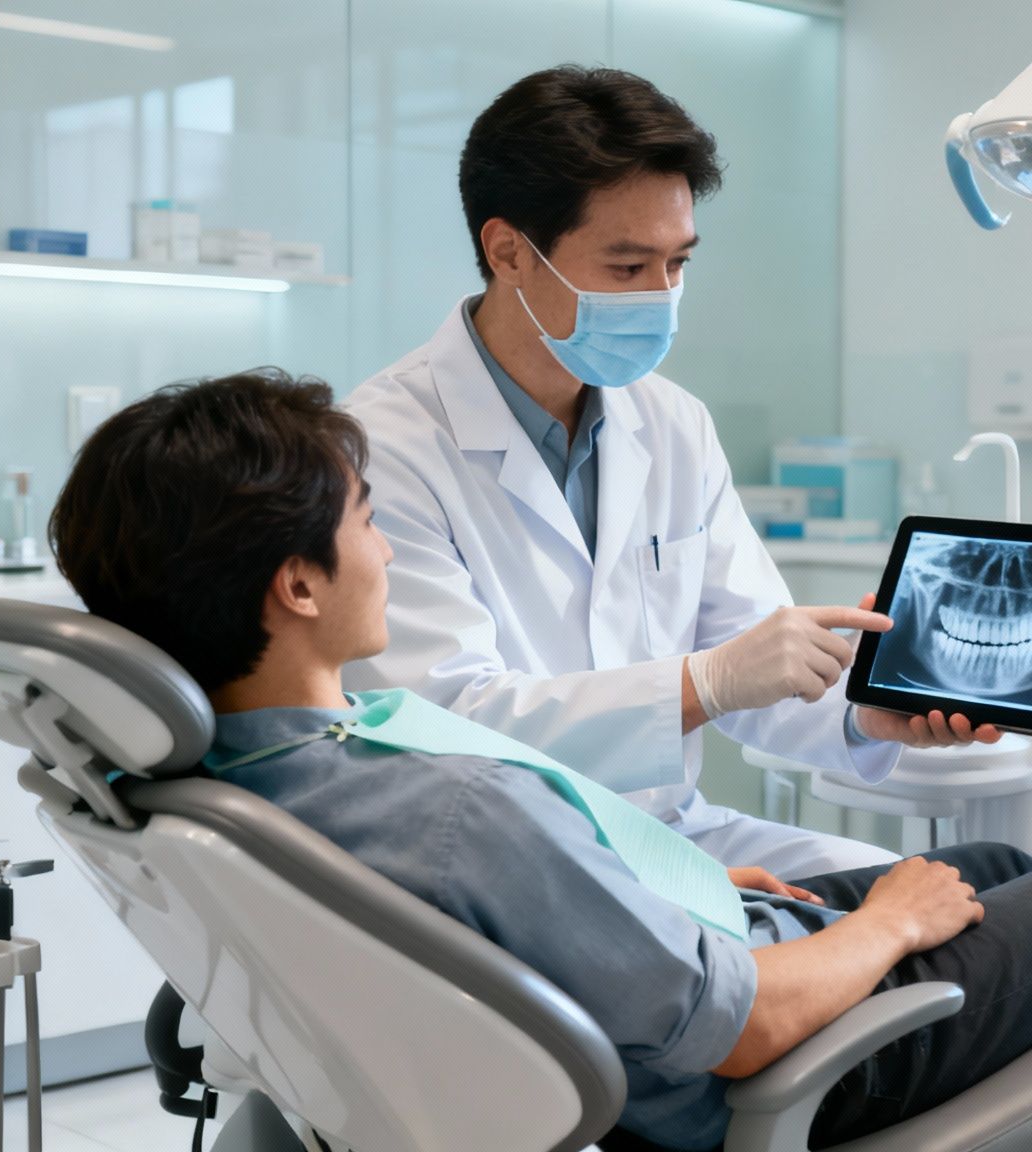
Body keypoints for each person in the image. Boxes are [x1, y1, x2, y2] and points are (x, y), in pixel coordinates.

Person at [51, 370, 1032, 1152]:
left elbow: (596, 815)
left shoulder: (273, 777)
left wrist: (792, 772)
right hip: (782, 1061)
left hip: (690, 927)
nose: (390, 546)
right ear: (294, 586)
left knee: (1003, 871)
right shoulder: (449, 802)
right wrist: (886, 924)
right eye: (365, 522)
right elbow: (746, 1028)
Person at [344, 66, 985, 880]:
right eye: (626, 268)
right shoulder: (383, 448)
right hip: (509, 865)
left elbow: (753, 658)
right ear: (508, 250)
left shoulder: (672, 423)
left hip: (676, 837)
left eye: (678, 263)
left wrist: (864, 714)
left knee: (959, 892)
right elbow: (448, 725)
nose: (661, 296)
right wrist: (705, 682)